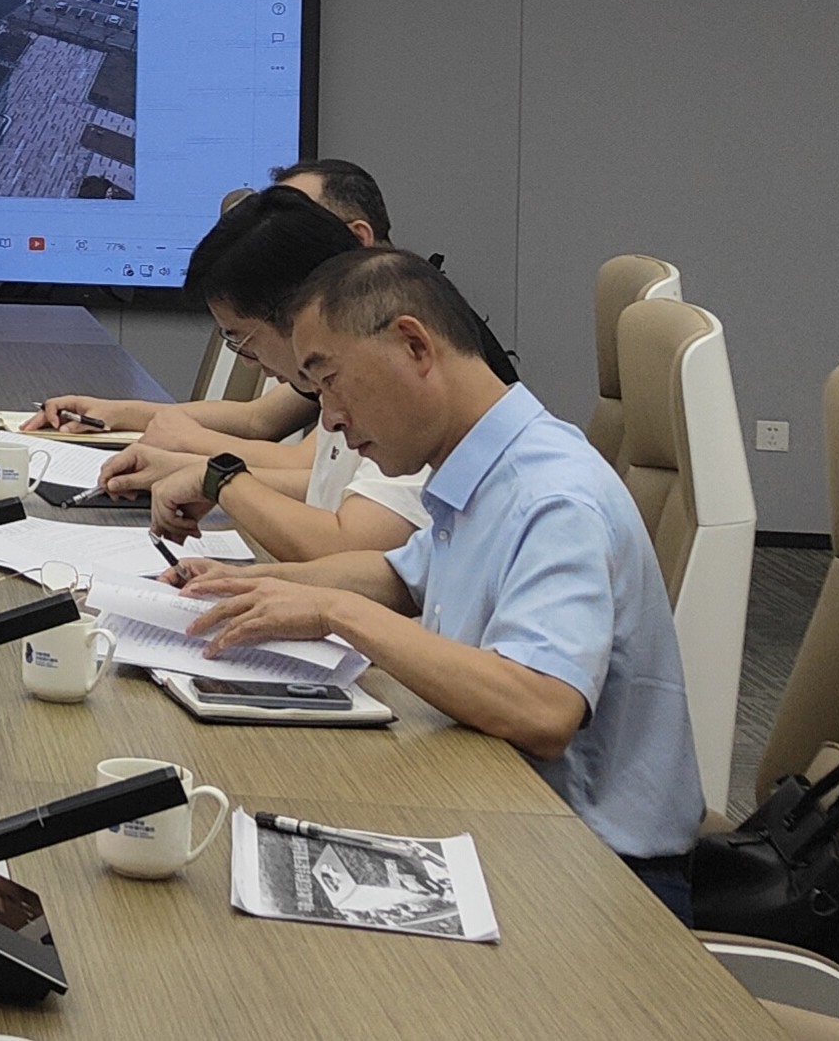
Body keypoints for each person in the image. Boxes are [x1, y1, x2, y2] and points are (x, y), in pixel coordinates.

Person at [168, 249, 703, 918]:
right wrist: (252, 583)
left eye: (330, 382)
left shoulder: (553, 497)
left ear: (414, 346)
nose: (329, 418)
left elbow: (542, 709)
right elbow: (402, 575)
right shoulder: (487, 463)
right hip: (514, 822)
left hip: (598, 876)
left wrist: (335, 611)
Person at [62, 188, 429, 559]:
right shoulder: (344, 382)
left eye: (242, 339)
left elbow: (350, 547)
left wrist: (218, 480)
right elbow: (326, 488)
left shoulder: (396, 386)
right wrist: (203, 475)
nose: (249, 362)